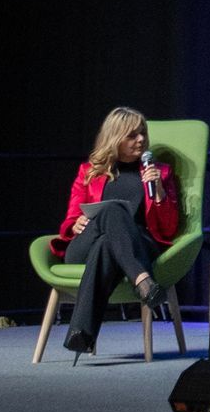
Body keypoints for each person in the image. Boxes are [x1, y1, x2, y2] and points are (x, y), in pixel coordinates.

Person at [51, 108, 181, 356]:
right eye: (132, 135)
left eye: (142, 133)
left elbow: (169, 228)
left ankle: (81, 334)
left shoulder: (160, 172)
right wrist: (74, 224)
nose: (141, 139)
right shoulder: (89, 172)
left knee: (106, 245)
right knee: (112, 212)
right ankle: (143, 280)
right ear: (115, 138)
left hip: (138, 242)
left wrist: (160, 192)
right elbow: (68, 220)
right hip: (84, 245)